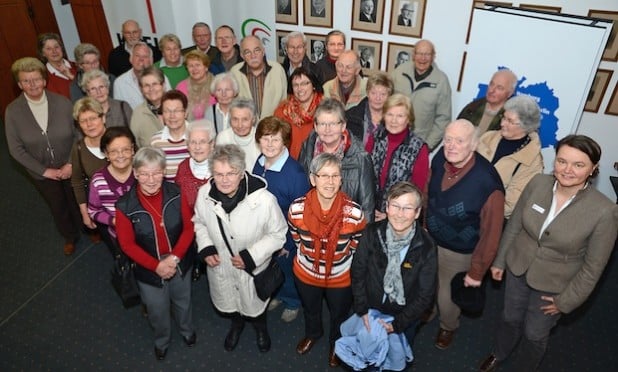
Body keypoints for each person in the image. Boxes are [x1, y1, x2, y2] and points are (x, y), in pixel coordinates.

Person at [479, 135, 618, 372]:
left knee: (535, 333)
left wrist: (566, 301)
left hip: (555, 284)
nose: (567, 170)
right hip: (518, 266)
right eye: (562, 161)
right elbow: (515, 226)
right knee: (509, 317)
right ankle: (499, 353)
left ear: (593, 169)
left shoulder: (605, 211)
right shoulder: (537, 183)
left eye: (578, 164)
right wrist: (500, 261)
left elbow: (593, 268)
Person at [193, 144, 288, 353]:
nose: (224, 179)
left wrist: (251, 256)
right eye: (219, 174)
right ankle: (236, 325)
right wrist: (206, 246)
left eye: (231, 173)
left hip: (252, 270)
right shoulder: (203, 194)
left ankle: (261, 329)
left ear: (242, 171)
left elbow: (278, 234)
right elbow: (199, 222)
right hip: (222, 267)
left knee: (254, 305)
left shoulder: (264, 200)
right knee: (231, 303)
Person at [425, 119, 505, 350]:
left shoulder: (487, 182)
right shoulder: (441, 158)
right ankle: (427, 312)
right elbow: (427, 192)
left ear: (474, 144)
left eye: (459, 141)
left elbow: (491, 234)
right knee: (427, 283)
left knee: (447, 297)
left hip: (459, 251)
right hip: (431, 239)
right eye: (448, 139)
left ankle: (448, 325)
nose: (450, 145)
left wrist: (477, 272)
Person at [116, 147, 196, 361]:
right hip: (147, 266)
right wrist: (156, 266)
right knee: (157, 310)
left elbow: (189, 229)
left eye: (156, 173)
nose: (150, 179)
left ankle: (187, 331)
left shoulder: (177, 193)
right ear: (135, 173)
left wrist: (174, 258)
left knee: (183, 300)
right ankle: (162, 341)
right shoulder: (124, 206)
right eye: (144, 173)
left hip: (178, 258)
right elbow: (127, 245)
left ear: (164, 172)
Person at [289, 153, 367, 367]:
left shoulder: (354, 213)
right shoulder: (296, 209)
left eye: (335, 176)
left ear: (341, 179)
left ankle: (336, 343)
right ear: (313, 179)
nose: (330, 182)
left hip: (340, 277)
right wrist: (310, 256)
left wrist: (342, 258)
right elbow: (296, 236)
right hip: (306, 273)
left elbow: (357, 242)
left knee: (339, 314)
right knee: (311, 309)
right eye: (324, 176)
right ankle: (313, 334)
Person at [5, 57, 81, 255]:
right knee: (58, 206)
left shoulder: (63, 103)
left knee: (78, 199)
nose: (32, 85)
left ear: (44, 81)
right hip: (42, 173)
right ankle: (69, 236)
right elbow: (16, 149)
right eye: (26, 81)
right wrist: (44, 171)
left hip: (70, 166)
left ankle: (89, 229)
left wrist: (71, 164)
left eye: (36, 79)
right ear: (20, 84)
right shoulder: (12, 112)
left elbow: (78, 135)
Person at [351, 181, 437, 349]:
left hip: (403, 317)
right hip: (369, 309)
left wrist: (398, 324)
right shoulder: (371, 232)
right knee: (367, 352)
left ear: (418, 212)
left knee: (396, 357)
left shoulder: (426, 246)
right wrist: (362, 309)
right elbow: (358, 272)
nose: (400, 214)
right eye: (395, 206)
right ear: (387, 207)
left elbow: (425, 295)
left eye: (407, 208)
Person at [252, 117, 311, 322]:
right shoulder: (258, 163)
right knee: (270, 268)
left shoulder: (295, 174)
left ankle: (293, 301)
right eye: (265, 138)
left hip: (287, 238)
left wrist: (288, 242)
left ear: (284, 142)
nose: (269, 144)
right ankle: (276, 295)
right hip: (263, 233)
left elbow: (302, 214)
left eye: (275, 139)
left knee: (287, 271)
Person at [298, 98, 376, 222]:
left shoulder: (360, 158)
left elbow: (367, 207)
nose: (327, 129)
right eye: (322, 124)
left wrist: (362, 238)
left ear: (343, 126)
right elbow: (301, 191)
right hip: (313, 224)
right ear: (315, 126)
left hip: (347, 227)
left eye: (333, 124)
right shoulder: (307, 149)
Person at [476, 95, 544, 218]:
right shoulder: (488, 137)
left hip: (490, 217)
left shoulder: (533, 162)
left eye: (510, 121)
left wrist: (474, 206)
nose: (502, 123)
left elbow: (510, 204)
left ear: (526, 126)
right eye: (504, 117)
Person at [368, 94, 429, 221]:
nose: (393, 120)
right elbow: (363, 175)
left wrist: (389, 215)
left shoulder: (419, 148)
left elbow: (416, 192)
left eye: (400, 116)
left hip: (399, 218)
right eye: (390, 114)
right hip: (369, 211)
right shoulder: (375, 138)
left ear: (408, 119)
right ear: (384, 116)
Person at [391, 39, 452, 150]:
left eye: (427, 54)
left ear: (433, 56)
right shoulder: (399, 72)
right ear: (413, 55)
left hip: (419, 143)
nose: (422, 58)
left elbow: (443, 119)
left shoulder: (441, 81)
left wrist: (427, 145)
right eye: (419, 53)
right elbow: (387, 102)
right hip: (393, 138)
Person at [174, 119, 215, 281]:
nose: (197, 147)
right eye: (193, 142)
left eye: (203, 142)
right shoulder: (183, 167)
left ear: (212, 145)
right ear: (188, 145)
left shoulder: (221, 168)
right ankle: (196, 263)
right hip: (189, 225)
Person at [88, 127, 136, 254]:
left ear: (133, 150)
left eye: (125, 150)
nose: (120, 156)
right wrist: (114, 221)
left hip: (149, 234)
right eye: (114, 151)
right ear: (106, 154)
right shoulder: (98, 181)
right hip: (119, 236)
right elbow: (94, 211)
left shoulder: (144, 173)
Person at [70, 98, 109, 236]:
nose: (89, 124)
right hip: (101, 209)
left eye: (93, 118)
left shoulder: (119, 138)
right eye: (83, 121)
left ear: (103, 118)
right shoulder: (78, 148)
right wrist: (85, 213)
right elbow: (77, 181)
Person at [230, 35, 287, 119]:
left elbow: (284, 103)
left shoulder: (278, 70)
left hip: (273, 127)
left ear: (263, 51)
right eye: (247, 52)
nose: (253, 56)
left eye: (257, 50)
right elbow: (232, 104)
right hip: (245, 128)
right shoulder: (234, 72)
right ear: (242, 55)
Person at [274, 67, 324, 159]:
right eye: (295, 85)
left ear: (313, 85)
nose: (300, 88)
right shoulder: (282, 111)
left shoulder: (326, 109)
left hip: (319, 165)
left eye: (304, 83)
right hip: (290, 166)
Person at [458, 69, 518, 135]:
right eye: (491, 84)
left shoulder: (510, 117)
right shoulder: (473, 107)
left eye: (499, 88)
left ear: (510, 93)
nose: (492, 90)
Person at [114, 41, 171, 109]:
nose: (141, 59)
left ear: (151, 60)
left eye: (145, 56)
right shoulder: (119, 83)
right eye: (137, 55)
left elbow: (170, 101)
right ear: (130, 59)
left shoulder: (162, 77)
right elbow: (120, 111)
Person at [150, 90, 190, 181]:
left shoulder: (197, 138)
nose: (172, 116)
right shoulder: (156, 141)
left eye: (176, 111)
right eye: (167, 111)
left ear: (185, 113)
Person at [345, 72, 393, 148]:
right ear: (367, 93)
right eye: (373, 93)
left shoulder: (395, 119)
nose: (378, 98)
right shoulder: (350, 116)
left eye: (383, 94)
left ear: (389, 96)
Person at [216, 98, 261, 168]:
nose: (240, 125)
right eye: (235, 119)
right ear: (230, 120)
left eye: (245, 119)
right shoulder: (223, 137)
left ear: (253, 120)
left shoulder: (261, 137)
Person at [176, 50, 215, 121]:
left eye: (198, 65)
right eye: (191, 66)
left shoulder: (216, 85)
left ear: (206, 67)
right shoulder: (181, 87)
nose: (194, 69)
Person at [38, 33, 77, 99]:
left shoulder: (78, 66)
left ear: (61, 48)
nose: (54, 51)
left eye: (56, 47)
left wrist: (71, 76)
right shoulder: (43, 77)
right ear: (43, 53)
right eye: (49, 49)